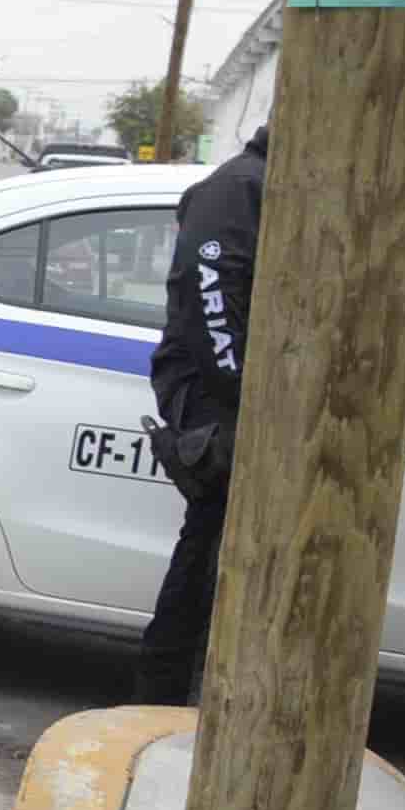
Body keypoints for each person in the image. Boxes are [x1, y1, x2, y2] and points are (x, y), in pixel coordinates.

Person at [135, 123, 269, 706]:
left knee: (216, 564)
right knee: (204, 564)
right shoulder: (238, 186)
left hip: (239, 404)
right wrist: (253, 397)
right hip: (222, 407)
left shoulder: (280, 183)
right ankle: (159, 705)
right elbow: (209, 298)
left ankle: (179, 703)